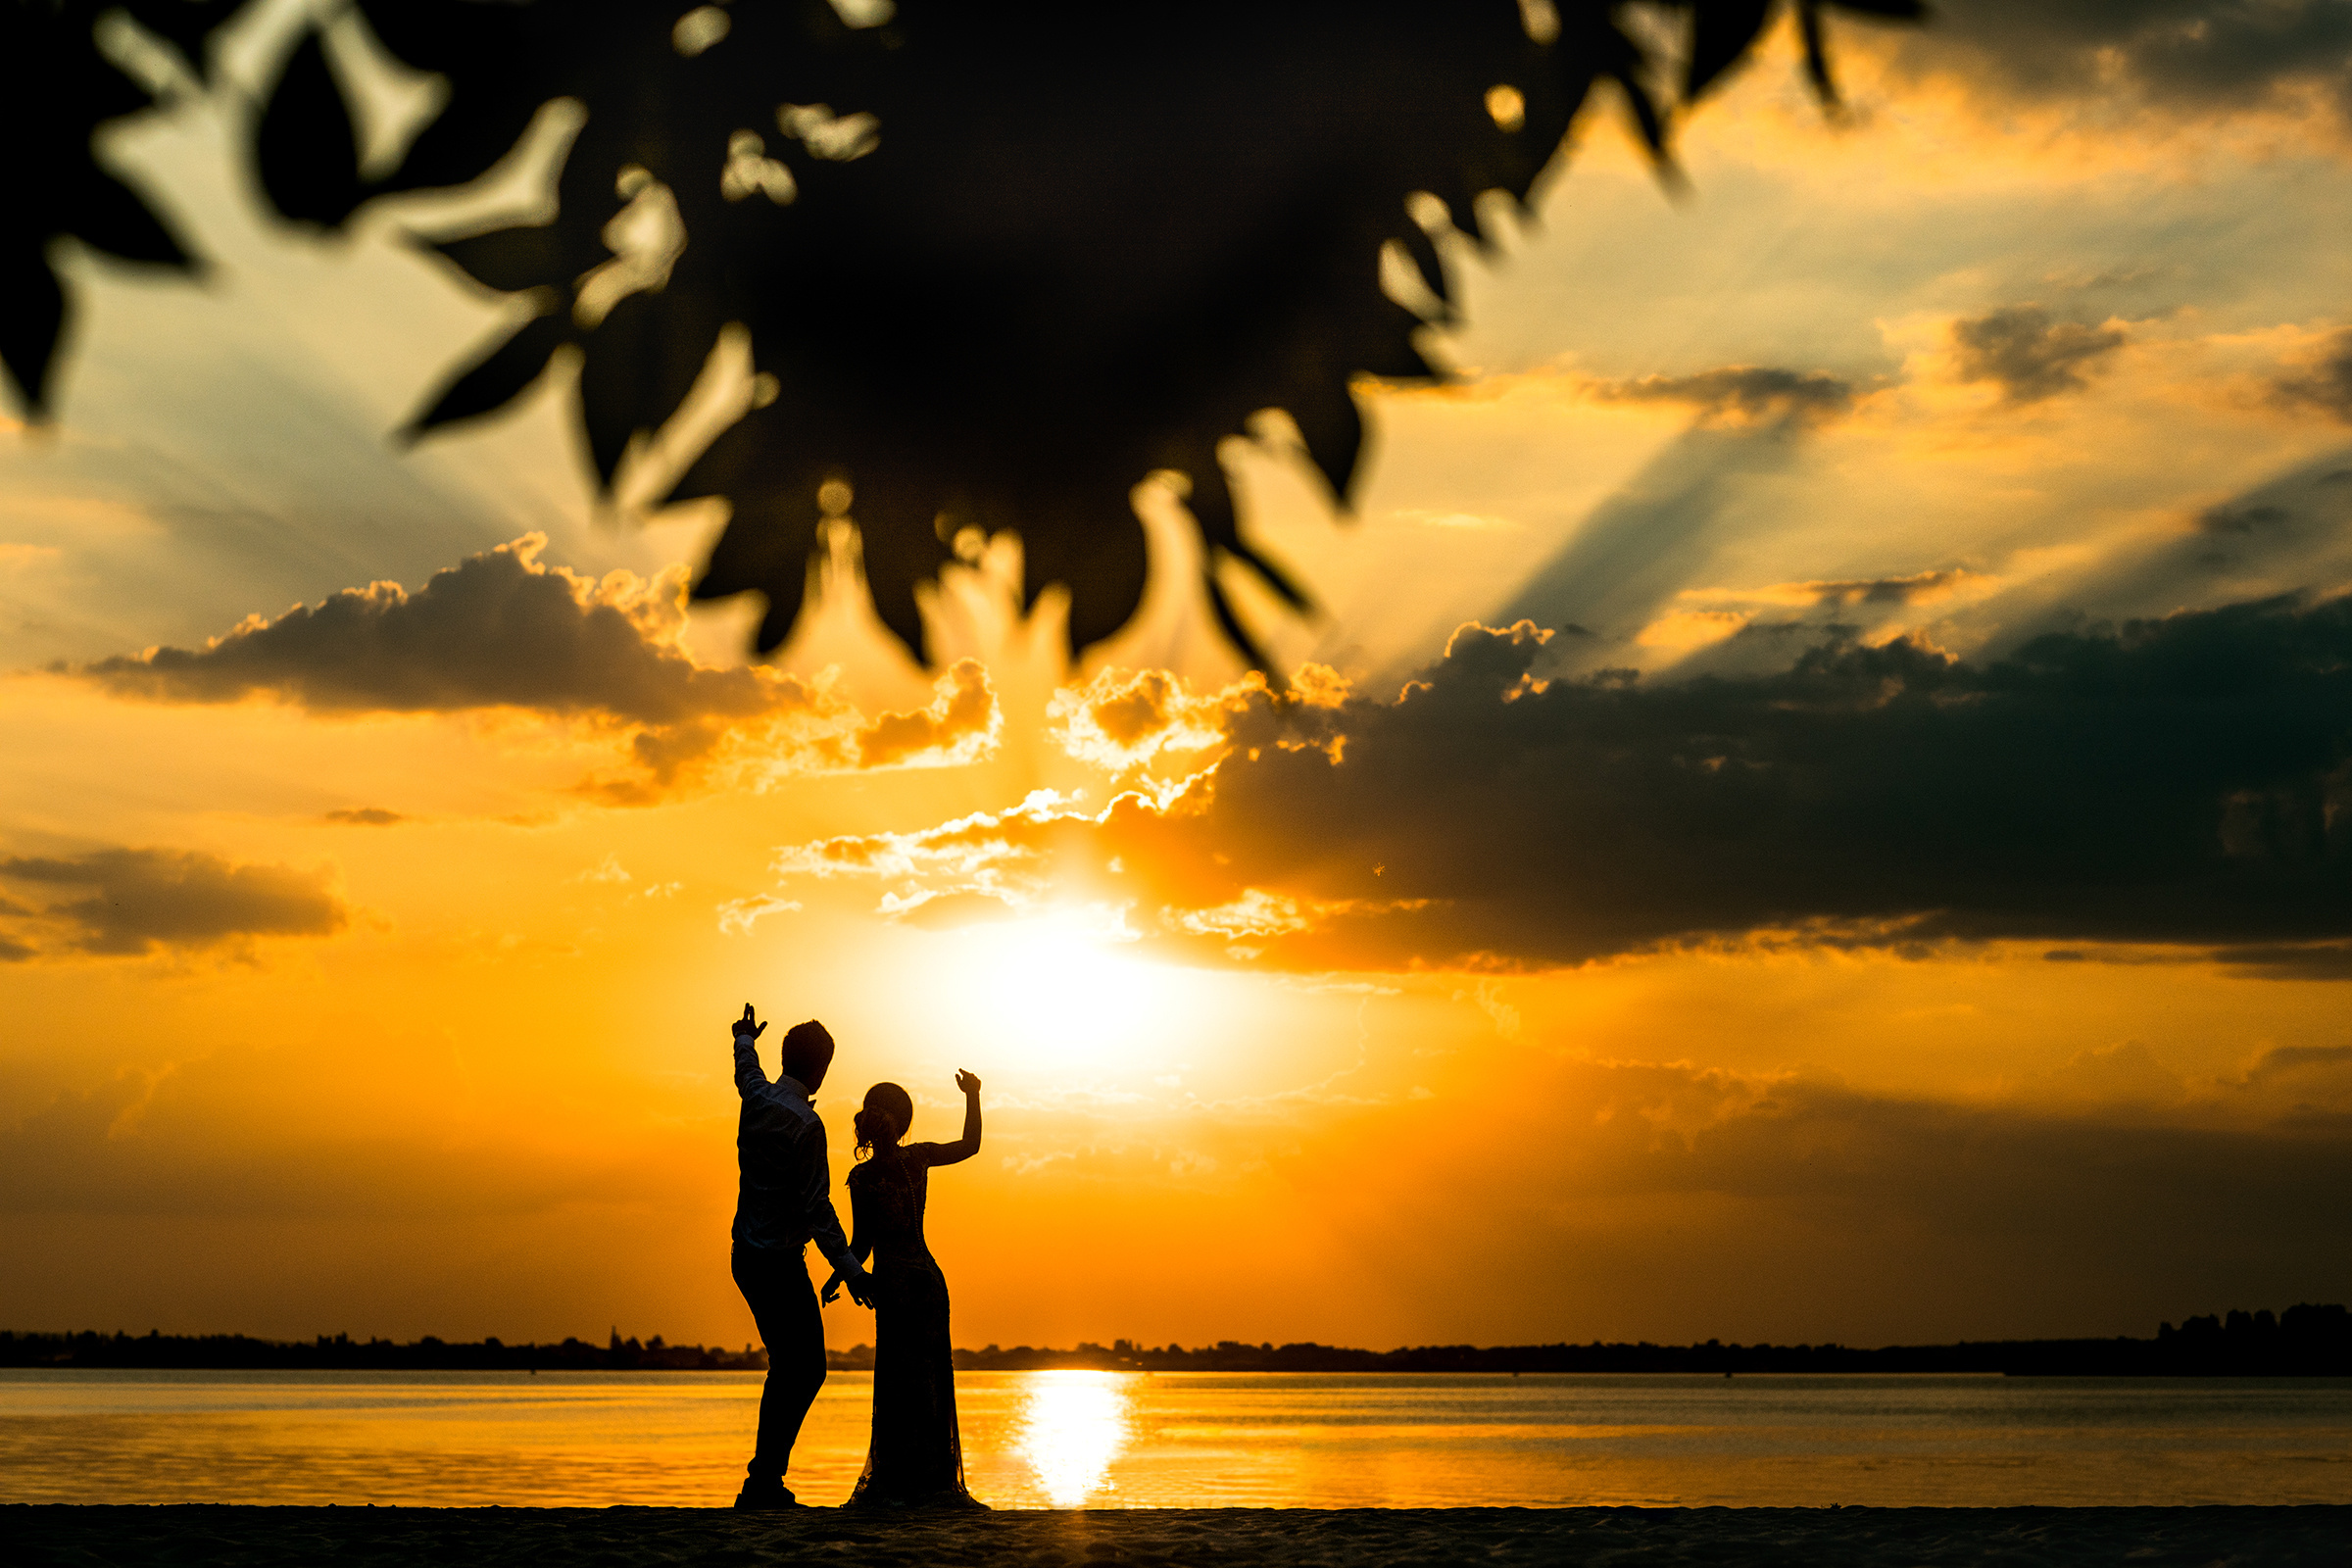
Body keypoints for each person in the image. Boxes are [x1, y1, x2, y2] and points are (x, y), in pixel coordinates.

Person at [730, 1003, 875, 1510]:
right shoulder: (808, 1126)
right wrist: (854, 1272)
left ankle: (764, 1479)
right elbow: (817, 1208)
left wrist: (745, 1037)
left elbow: (745, 1068)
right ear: (822, 1070)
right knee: (806, 1367)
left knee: (789, 1365)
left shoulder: (758, 1097)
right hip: (777, 1260)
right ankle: (763, 1479)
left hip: (746, 1255)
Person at [821, 1069, 989, 1508]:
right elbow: (970, 1145)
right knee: (931, 1381)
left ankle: (900, 1480)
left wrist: (841, 1274)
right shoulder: (918, 1158)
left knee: (898, 1384)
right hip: (927, 1281)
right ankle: (933, 1481)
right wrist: (972, 1095)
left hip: (893, 1286)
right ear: (902, 1122)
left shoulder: (861, 1179)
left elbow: (860, 1244)